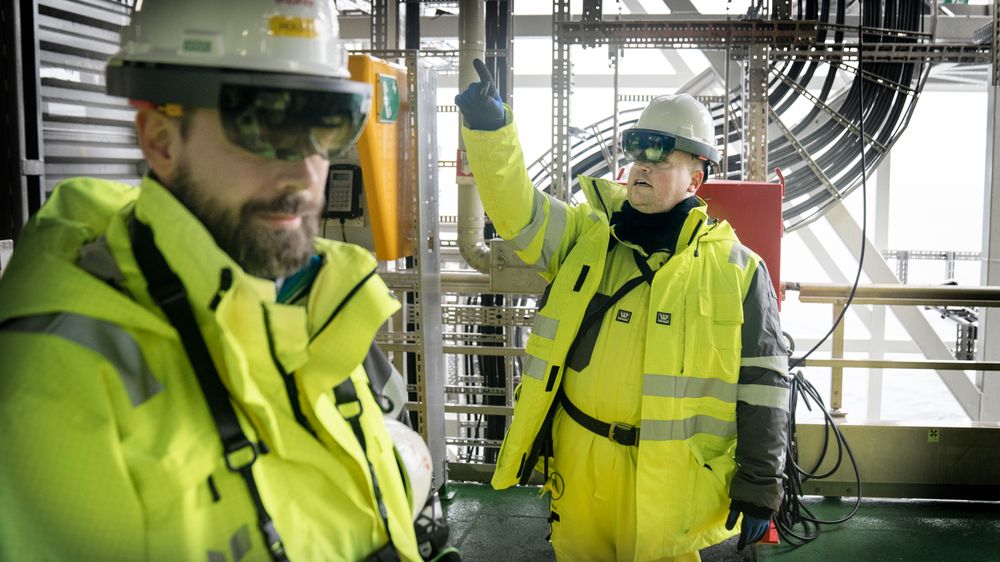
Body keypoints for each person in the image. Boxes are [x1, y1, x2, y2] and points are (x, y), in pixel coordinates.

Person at [0, 1, 430, 560]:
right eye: (260, 123)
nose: (304, 172)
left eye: (325, 123)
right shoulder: (52, 394)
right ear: (160, 141)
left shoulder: (327, 308)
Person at [455, 60, 790, 562]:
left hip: (671, 478)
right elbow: (518, 212)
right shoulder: (584, 236)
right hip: (580, 461)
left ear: (695, 180)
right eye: (638, 154)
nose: (643, 168)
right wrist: (490, 131)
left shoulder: (737, 270)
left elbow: (765, 382)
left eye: (660, 158)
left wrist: (761, 483)